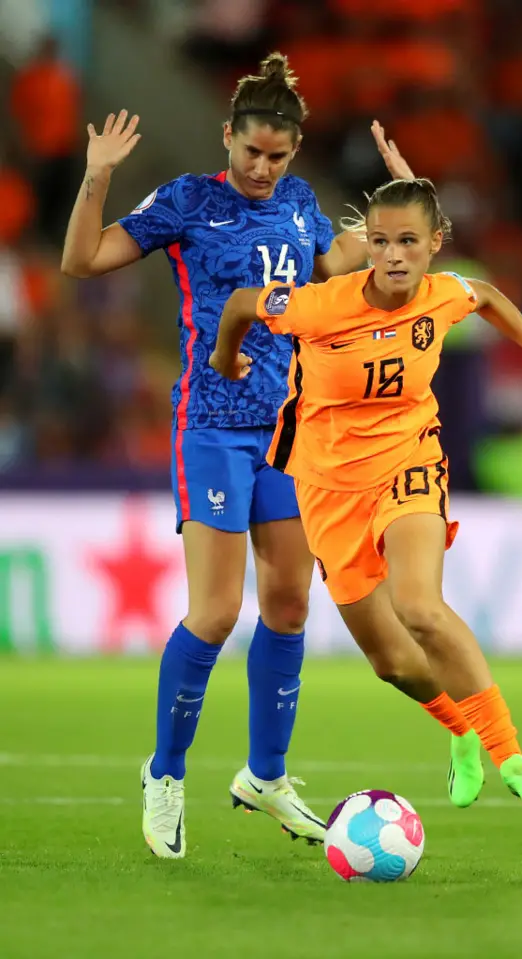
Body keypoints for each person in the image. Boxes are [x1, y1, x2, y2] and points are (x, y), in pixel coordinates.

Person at [61, 53, 377, 859]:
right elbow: (82, 259)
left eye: (277, 155)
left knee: (290, 607)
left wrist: (383, 232)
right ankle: (165, 774)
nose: (263, 168)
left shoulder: (301, 204)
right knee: (214, 611)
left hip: (286, 431)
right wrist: (96, 175)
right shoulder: (188, 201)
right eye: (251, 153)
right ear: (226, 138)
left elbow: (337, 268)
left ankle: (264, 776)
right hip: (210, 427)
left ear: (295, 151)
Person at [210, 175, 522, 810]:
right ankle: (461, 732)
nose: (394, 255)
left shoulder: (441, 296)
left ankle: (511, 757)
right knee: (392, 663)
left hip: (410, 463)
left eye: (409, 241)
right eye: (380, 242)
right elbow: (243, 303)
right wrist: (225, 359)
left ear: (434, 244)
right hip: (327, 488)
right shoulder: (319, 305)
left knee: (420, 607)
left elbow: (487, 296)